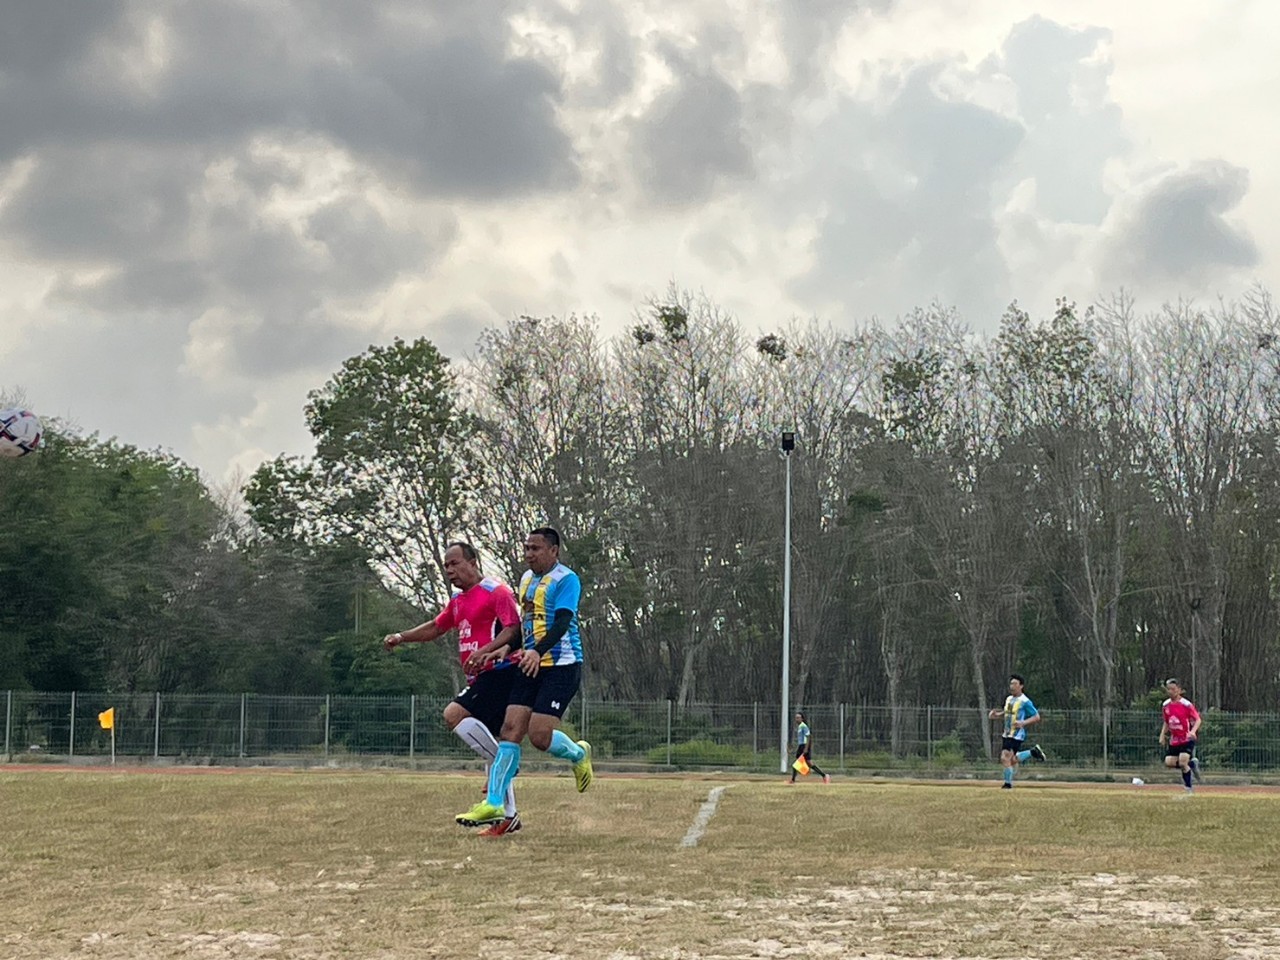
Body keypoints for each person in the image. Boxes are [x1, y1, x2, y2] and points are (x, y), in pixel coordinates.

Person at [384, 541, 524, 836]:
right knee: (499, 741)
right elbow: (436, 627)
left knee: (454, 714)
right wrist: (402, 636)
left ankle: (506, 766)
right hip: (480, 677)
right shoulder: (458, 601)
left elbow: (514, 629)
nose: (449, 570)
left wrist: (487, 651)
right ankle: (507, 816)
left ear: (473, 562)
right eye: (446, 565)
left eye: (454, 563)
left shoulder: (496, 591)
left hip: (500, 672)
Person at [457, 527, 593, 827]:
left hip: (561, 666)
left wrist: (537, 651)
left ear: (554, 551)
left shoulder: (567, 579)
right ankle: (494, 804)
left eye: (536, 548)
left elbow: (562, 623)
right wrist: (506, 648)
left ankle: (578, 754)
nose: (529, 554)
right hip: (530, 663)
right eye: (527, 548)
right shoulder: (526, 580)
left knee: (540, 737)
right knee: (510, 730)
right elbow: (527, 625)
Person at [987, 674, 1046, 789]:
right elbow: (1007, 712)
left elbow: (1036, 717)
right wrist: (997, 715)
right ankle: (1033, 752)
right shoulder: (1009, 699)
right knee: (1011, 760)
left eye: (1015, 684)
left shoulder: (1025, 701)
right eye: (1011, 684)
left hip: (1016, 735)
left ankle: (1007, 784)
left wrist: (1023, 723)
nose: (1012, 686)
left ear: (1021, 686)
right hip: (1007, 733)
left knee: (1004, 758)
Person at [1159, 677, 1202, 794]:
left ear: (1179, 690)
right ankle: (1191, 764)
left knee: (1183, 762)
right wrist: (1162, 735)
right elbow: (1166, 722)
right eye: (1169, 689)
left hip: (1186, 738)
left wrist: (1193, 732)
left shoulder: (1186, 704)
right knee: (1169, 762)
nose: (1171, 692)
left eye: (1173, 689)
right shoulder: (1166, 705)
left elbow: (1198, 719)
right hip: (1175, 739)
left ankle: (1188, 789)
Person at [788, 711, 830, 784]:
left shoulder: (804, 726)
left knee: (797, 764)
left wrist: (806, 748)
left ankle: (793, 780)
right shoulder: (800, 727)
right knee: (808, 764)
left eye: (798, 718)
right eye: (796, 718)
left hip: (804, 746)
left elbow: (809, 737)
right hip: (801, 746)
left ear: (802, 719)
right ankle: (824, 776)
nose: (796, 719)